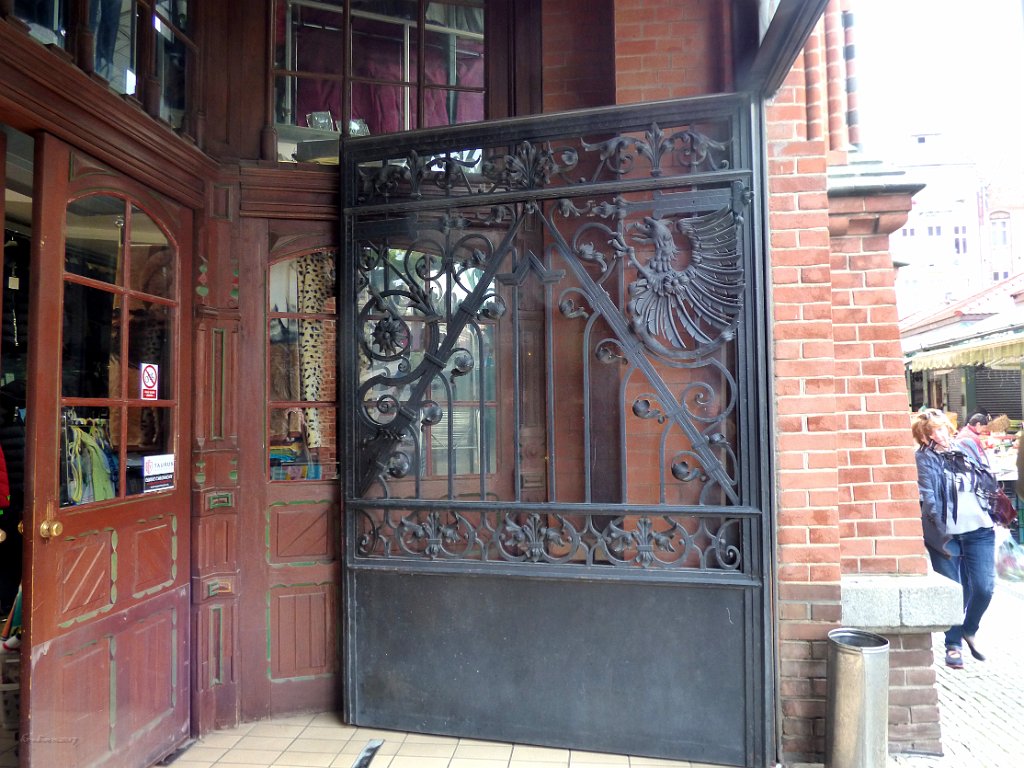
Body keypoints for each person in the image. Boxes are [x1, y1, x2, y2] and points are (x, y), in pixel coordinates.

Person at [912, 409, 997, 669]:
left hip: (979, 530)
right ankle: (953, 646)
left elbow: (988, 478)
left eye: (942, 428)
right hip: (946, 535)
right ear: (925, 437)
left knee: (983, 587)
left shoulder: (968, 445)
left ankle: (969, 630)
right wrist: (940, 528)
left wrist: (993, 508)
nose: (941, 433)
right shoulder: (925, 459)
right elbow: (929, 495)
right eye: (933, 431)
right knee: (954, 591)